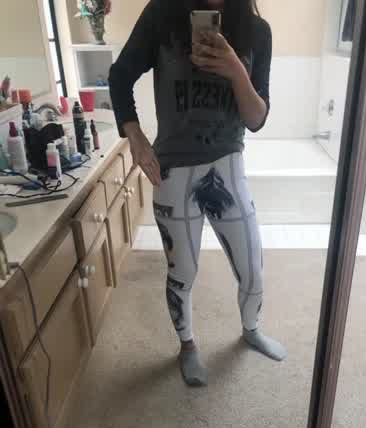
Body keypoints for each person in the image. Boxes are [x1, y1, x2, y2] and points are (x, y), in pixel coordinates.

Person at [109, 0, 286, 387]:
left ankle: (251, 328)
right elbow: (119, 75)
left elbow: (256, 119)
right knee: (182, 272)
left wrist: (235, 68)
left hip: (228, 164)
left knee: (253, 268)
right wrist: (135, 138)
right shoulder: (162, 14)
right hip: (173, 169)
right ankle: (187, 346)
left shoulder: (257, 32)